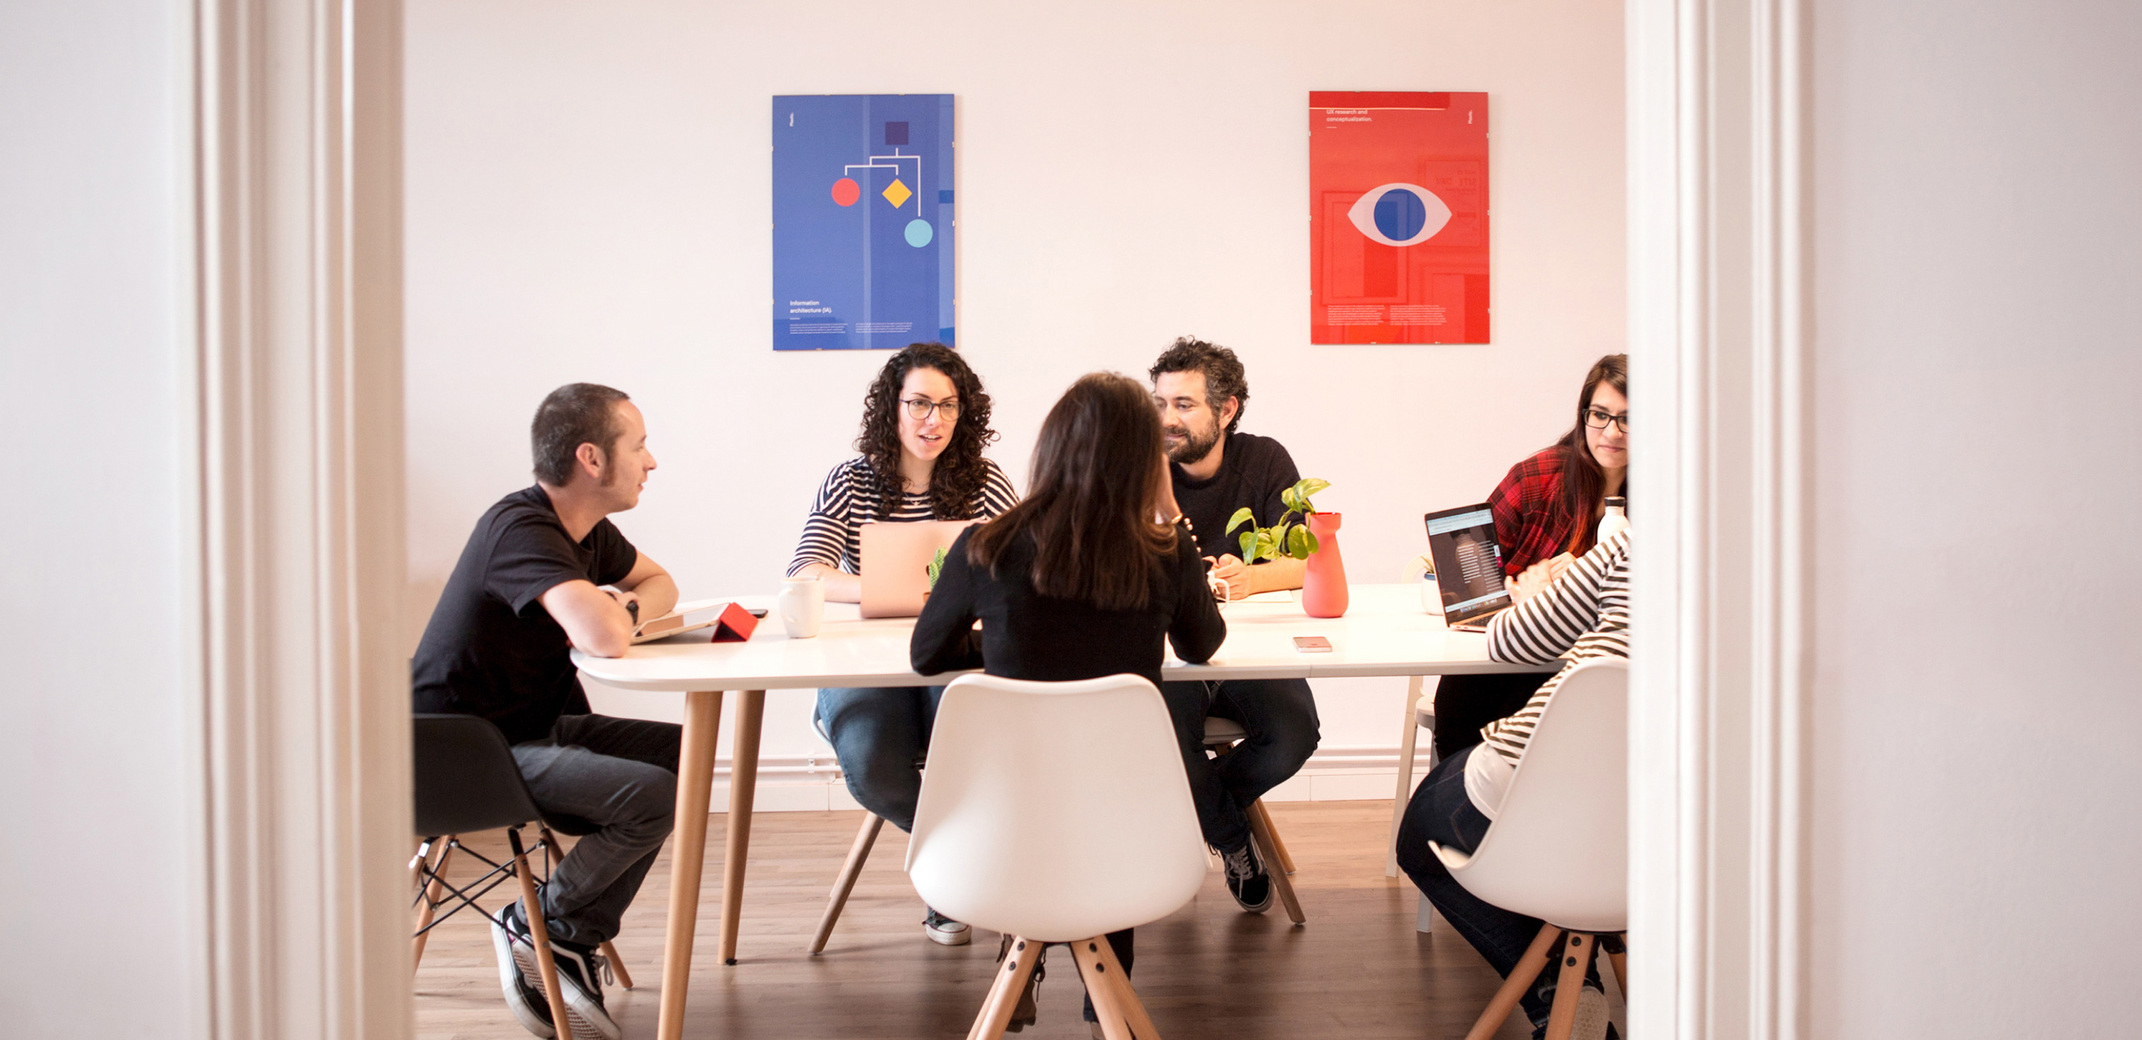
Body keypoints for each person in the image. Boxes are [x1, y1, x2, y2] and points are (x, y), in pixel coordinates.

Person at [912, 371, 1226, 1036]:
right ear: (1144, 463)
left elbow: (927, 656)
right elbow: (1204, 642)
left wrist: (999, 652)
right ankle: (1101, 1008)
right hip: (1128, 828)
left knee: (1044, 797)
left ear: (1051, 446)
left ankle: (1020, 957)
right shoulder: (1161, 553)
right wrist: (1171, 515)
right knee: (1105, 807)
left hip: (1003, 820)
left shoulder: (986, 544)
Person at [411, 383, 678, 1040]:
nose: (651, 462)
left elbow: (659, 585)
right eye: (638, 446)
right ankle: (547, 926)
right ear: (592, 458)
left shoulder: (584, 531)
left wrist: (627, 608)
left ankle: (564, 937)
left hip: (528, 728)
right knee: (652, 795)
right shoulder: (521, 530)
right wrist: (620, 618)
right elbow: (603, 638)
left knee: (687, 756)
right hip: (462, 754)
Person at [786, 341, 1019, 946]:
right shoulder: (851, 480)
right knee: (871, 766)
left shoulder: (986, 483)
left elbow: (1023, 569)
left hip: (957, 655)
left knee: (967, 749)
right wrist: (882, 586)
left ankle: (950, 883)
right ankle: (961, 870)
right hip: (868, 662)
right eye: (918, 403)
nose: (932, 420)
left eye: (946, 406)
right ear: (891, 407)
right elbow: (806, 571)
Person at [1396, 526, 1632, 1040]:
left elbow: (1510, 639)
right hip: (1656, 825)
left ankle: (1557, 995)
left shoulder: (1631, 543)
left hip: (1544, 780)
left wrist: (1533, 595)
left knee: (1420, 838)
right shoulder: (1790, 576)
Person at [1146, 336, 1321, 911]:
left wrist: (1250, 577)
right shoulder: (1142, 469)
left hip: (1252, 648)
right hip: (1173, 650)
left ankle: (1197, 815)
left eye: (1184, 404)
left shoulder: (1266, 459)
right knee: (1168, 743)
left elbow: (1307, 558)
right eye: (1161, 402)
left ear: (1228, 409)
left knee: (1295, 735)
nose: (1167, 419)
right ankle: (1231, 838)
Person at [1432, 354, 1629, 759]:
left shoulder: (1670, 493)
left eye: (1629, 418)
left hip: (1587, 672)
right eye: (1600, 415)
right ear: (1583, 415)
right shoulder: (1538, 476)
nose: (1612, 432)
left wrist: (1582, 582)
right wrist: (1511, 588)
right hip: (1504, 659)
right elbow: (1460, 570)